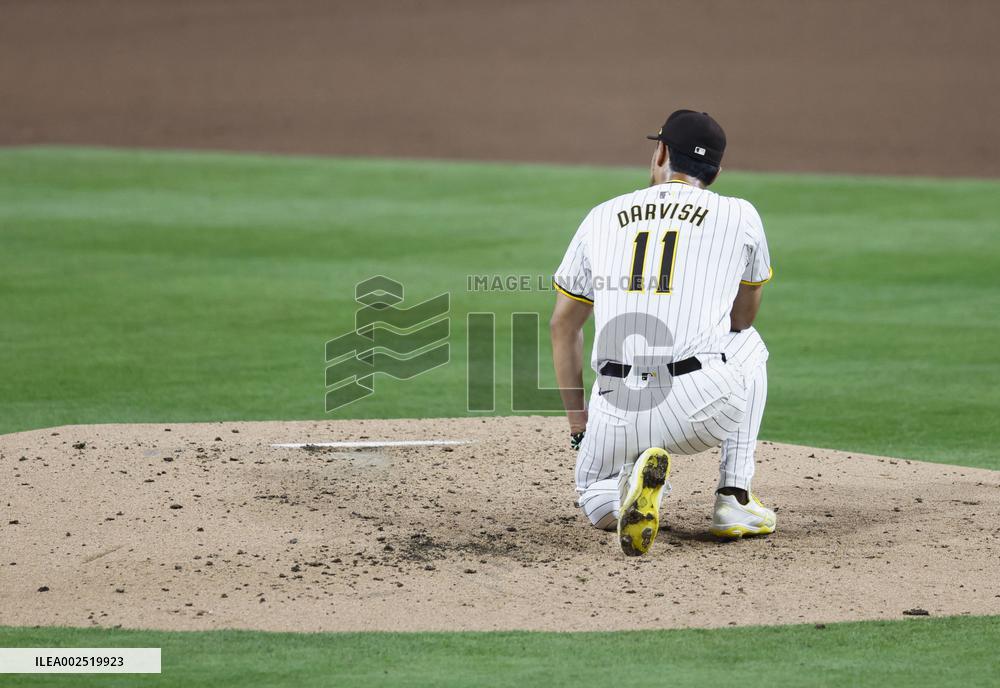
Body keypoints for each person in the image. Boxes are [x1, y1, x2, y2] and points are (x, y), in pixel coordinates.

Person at [549, 109, 775, 556]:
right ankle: (734, 497)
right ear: (716, 170)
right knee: (749, 345)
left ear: (661, 153)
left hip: (614, 406)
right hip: (700, 409)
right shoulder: (739, 215)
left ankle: (623, 490)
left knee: (592, 496)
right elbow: (742, 319)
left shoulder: (601, 215)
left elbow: (563, 325)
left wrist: (580, 424)